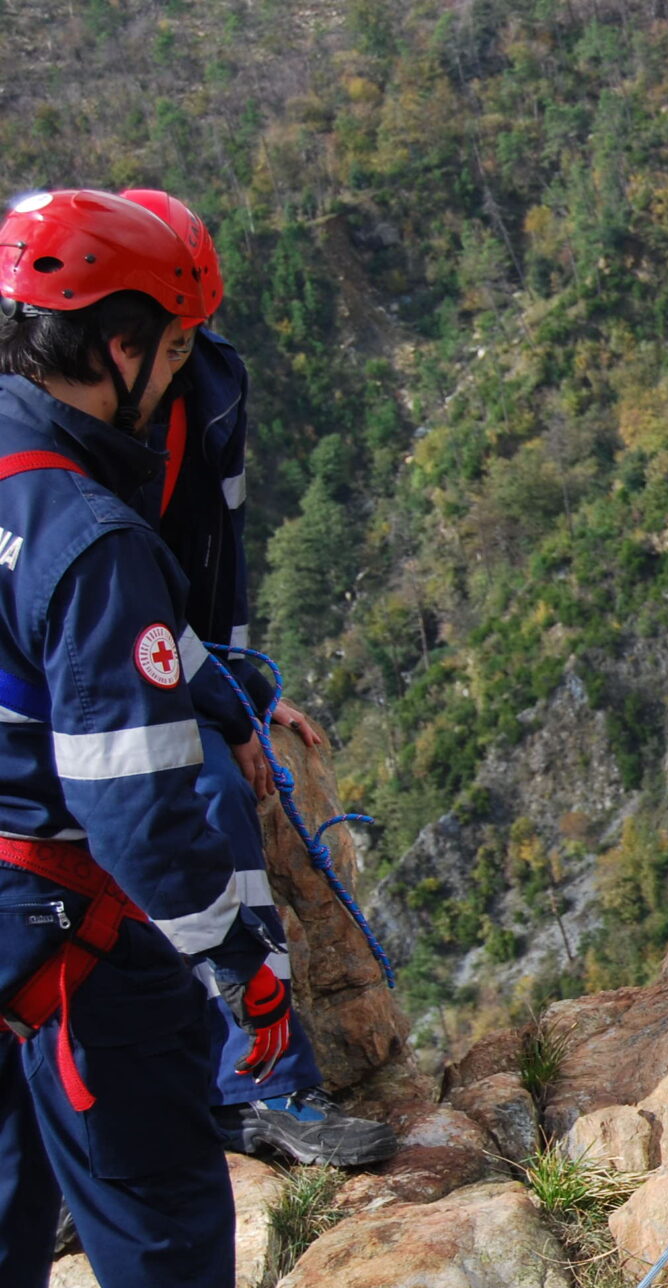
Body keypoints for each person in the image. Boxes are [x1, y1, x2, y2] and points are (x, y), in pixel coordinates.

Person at [0, 189, 291, 1288]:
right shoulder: (94, 543)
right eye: (171, 347)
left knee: (3, 1211)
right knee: (162, 1214)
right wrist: (246, 973)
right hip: (78, 949)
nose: (184, 371)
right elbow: (141, 819)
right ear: (119, 348)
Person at [120, 188, 384, 1168]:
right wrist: (218, 697)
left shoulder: (206, 392)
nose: (179, 352)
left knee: (221, 792)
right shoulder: (54, 440)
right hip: (75, 687)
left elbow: (207, 561)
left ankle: (262, 1085)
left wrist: (238, 688)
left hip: (142, 660)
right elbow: (110, 604)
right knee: (186, 805)